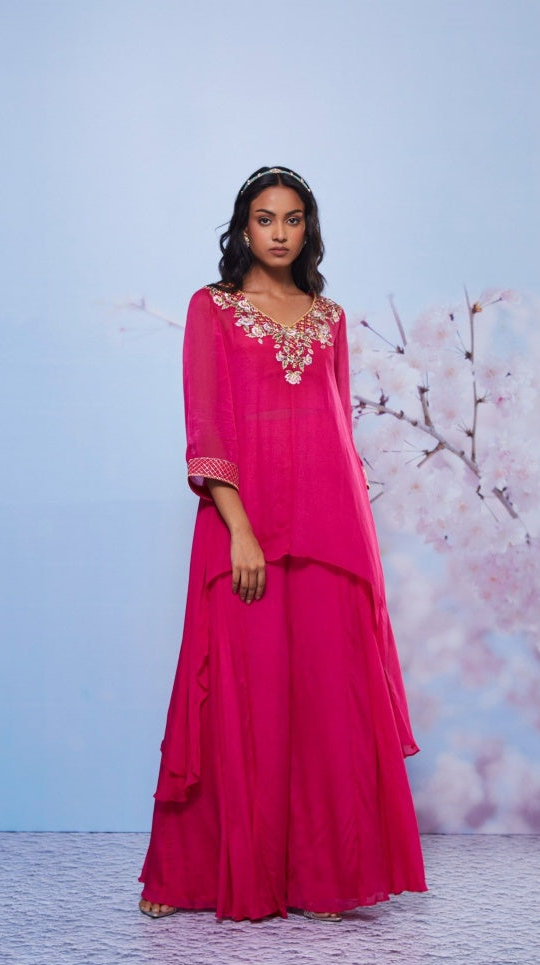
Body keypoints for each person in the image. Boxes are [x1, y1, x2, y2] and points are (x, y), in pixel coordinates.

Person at [138, 166, 427, 922]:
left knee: (328, 699)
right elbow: (207, 424)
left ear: (309, 229)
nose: (278, 232)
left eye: (292, 219)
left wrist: (356, 532)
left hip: (331, 527)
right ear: (243, 228)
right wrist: (240, 529)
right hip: (244, 525)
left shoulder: (330, 318)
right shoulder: (213, 309)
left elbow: (337, 430)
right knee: (240, 696)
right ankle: (193, 874)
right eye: (264, 218)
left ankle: (327, 875)